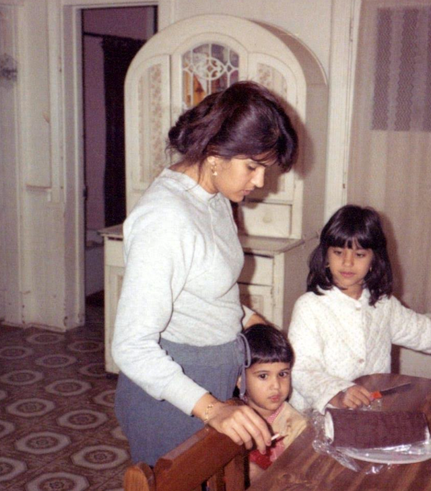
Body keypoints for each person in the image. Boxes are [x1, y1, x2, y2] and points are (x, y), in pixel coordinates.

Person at [112, 81, 299, 466]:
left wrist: (250, 320)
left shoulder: (213, 198)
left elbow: (209, 286)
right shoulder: (165, 217)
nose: (260, 181)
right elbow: (131, 346)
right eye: (253, 167)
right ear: (215, 152)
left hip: (212, 380)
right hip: (171, 395)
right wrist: (213, 410)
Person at [288, 204, 431, 414]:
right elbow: (302, 370)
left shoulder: (382, 305)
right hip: (315, 419)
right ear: (326, 256)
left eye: (359, 255)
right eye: (338, 252)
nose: (347, 263)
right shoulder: (310, 307)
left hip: (370, 412)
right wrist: (337, 394)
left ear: (374, 260)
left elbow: (428, 333)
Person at [237, 324, 307, 481]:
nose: (276, 385)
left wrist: (262, 478)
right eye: (263, 376)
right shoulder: (231, 414)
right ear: (240, 379)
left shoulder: (297, 427)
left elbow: (299, 478)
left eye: (283, 374)